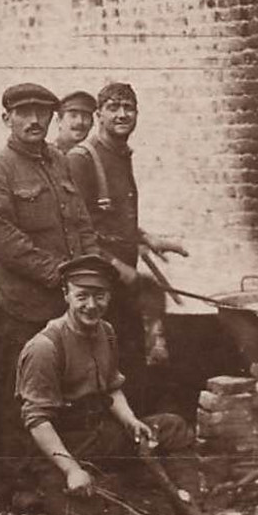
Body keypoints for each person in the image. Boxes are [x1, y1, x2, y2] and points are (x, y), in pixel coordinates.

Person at [0, 82, 97, 489]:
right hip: (23, 309)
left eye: (41, 113)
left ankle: (59, 475)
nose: (33, 120)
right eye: (23, 112)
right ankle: (20, 487)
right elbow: (5, 242)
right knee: (21, 400)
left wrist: (90, 274)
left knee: (64, 393)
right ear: (6, 117)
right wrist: (62, 274)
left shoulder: (59, 161)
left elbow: (80, 222)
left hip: (64, 306)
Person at [15, 254, 195, 510]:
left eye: (99, 296)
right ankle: (39, 490)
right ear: (66, 295)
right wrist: (72, 470)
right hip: (60, 448)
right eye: (82, 296)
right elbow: (38, 422)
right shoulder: (45, 347)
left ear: (109, 296)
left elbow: (111, 387)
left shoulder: (105, 332)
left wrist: (131, 421)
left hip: (100, 435)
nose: (91, 305)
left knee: (173, 427)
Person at [65, 81, 188, 409]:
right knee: (105, 365)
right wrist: (116, 267)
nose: (122, 114)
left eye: (128, 108)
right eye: (113, 108)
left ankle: (138, 433)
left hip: (121, 280)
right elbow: (77, 228)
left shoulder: (121, 155)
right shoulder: (82, 159)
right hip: (95, 284)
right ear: (98, 115)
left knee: (130, 360)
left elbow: (112, 218)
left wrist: (148, 238)